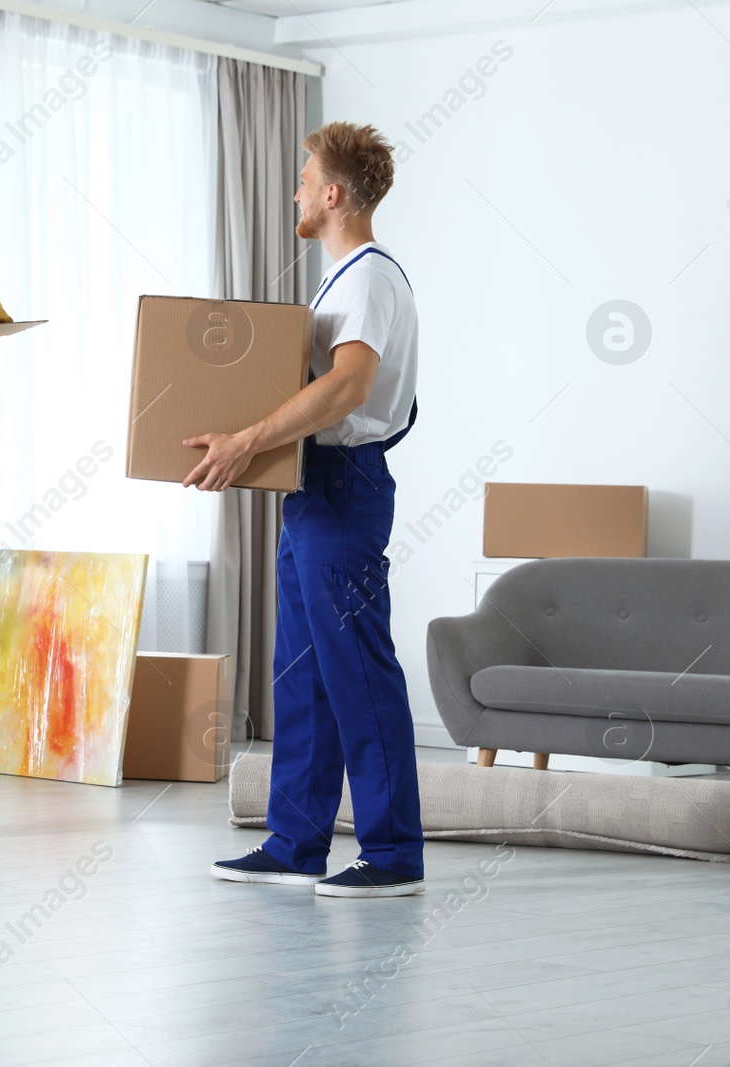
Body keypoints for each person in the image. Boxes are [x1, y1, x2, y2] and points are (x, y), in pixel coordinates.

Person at [186, 122, 425, 898]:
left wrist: (248, 437)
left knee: (357, 669)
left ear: (332, 194)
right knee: (305, 673)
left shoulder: (367, 278)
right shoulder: (341, 280)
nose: (294, 190)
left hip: (344, 485)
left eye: (304, 178)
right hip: (311, 487)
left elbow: (351, 387)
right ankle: (296, 841)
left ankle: (392, 854)